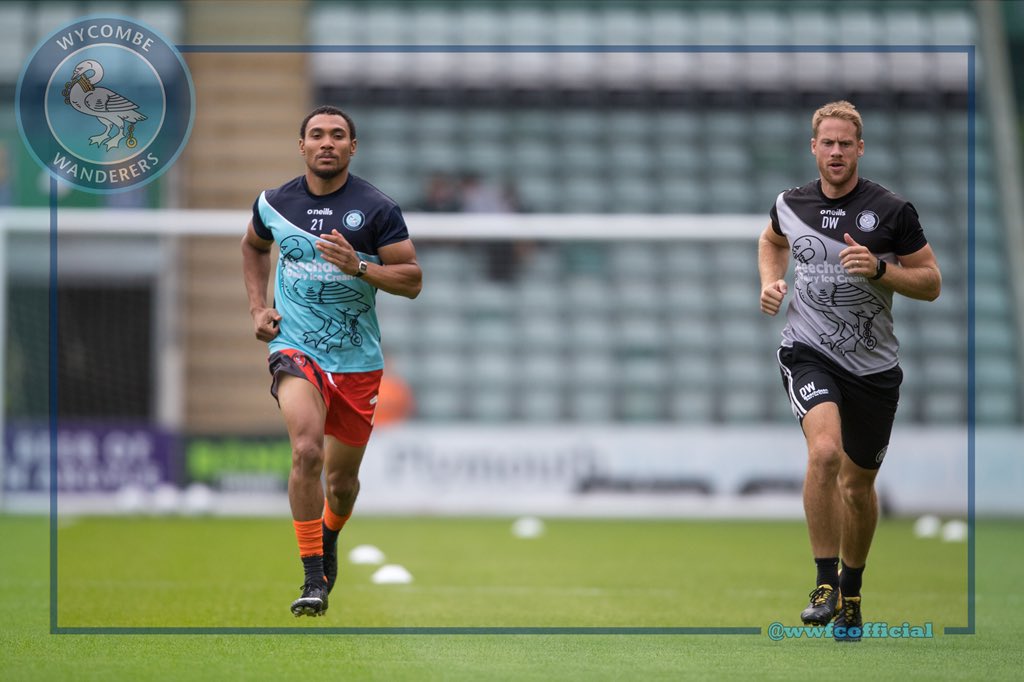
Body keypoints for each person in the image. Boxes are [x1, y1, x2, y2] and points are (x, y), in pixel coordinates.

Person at [758, 101, 941, 641]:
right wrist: (770, 281)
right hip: (808, 350)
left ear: (860, 148)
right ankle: (824, 583)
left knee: (858, 489)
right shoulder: (789, 203)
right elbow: (772, 239)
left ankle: (852, 591)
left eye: (845, 143)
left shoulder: (891, 210)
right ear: (812, 147)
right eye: (827, 143)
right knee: (824, 453)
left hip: (874, 369)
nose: (835, 151)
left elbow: (931, 282)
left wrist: (881, 269)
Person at [241, 105, 422, 617]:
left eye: (338, 135)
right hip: (295, 348)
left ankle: (331, 534)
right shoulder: (273, 203)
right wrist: (257, 308)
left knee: (341, 486)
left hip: (356, 361)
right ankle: (313, 576)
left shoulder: (377, 209)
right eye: (317, 134)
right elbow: (252, 247)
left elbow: (412, 280)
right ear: (302, 145)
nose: (327, 142)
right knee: (306, 451)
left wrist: (358, 265)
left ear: (352, 147)